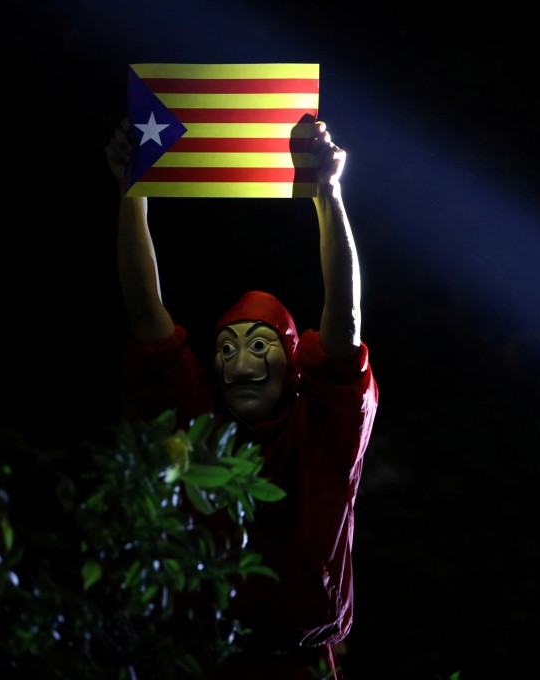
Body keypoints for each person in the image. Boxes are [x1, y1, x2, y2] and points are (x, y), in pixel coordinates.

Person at [105, 115, 379, 678]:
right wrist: (132, 192)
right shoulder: (195, 420)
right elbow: (145, 316)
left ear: (292, 361)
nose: (242, 364)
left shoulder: (322, 427)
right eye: (226, 349)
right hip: (199, 663)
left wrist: (328, 194)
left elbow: (344, 322)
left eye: (260, 346)